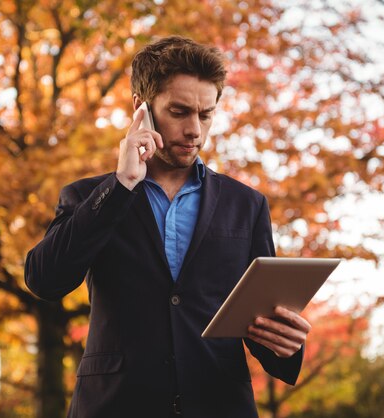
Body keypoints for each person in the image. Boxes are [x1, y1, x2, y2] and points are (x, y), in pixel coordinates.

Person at [24, 36, 311, 418]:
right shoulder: (89, 197)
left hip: (219, 405)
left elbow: (259, 322)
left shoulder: (248, 205)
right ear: (140, 108)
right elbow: (44, 279)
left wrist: (286, 343)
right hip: (116, 406)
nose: (195, 129)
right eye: (179, 112)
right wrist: (122, 183)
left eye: (205, 114)